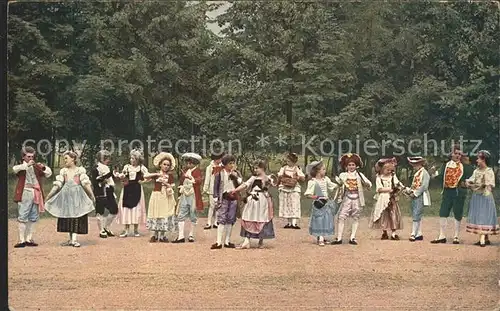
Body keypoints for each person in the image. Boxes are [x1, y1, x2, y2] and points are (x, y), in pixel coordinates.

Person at [44, 151, 95, 247]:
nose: (65, 160)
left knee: (76, 216)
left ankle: (74, 239)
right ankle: (71, 239)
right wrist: (49, 196)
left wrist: (91, 195)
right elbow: (58, 185)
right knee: (68, 216)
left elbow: (85, 184)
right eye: (64, 159)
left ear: (73, 159)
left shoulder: (80, 171)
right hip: (66, 197)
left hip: (77, 196)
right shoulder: (64, 171)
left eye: (66, 158)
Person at [430, 146, 473, 244]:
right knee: (443, 212)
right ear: (451, 154)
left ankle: (456, 236)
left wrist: (466, 183)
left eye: (459, 154)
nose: (457, 155)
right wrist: (433, 174)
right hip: (447, 191)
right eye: (456, 153)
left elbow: (471, 176)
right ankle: (442, 235)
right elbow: (440, 176)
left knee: (457, 213)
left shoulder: (464, 166)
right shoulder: (446, 165)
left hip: (458, 192)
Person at [12, 146, 53, 248]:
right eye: (28, 156)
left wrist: (42, 167)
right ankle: (21, 240)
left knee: (33, 216)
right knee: (23, 215)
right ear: (23, 157)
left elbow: (48, 174)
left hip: (35, 192)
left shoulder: (36, 167)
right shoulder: (21, 167)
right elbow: (15, 169)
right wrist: (27, 166)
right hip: (25, 192)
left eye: (32, 157)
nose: (31, 159)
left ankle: (29, 238)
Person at [231, 159, 276, 249]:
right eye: (254, 168)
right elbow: (245, 185)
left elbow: (272, 184)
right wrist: (235, 190)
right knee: (249, 216)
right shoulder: (253, 178)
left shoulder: (268, 178)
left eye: (257, 168)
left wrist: (267, 182)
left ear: (262, 168)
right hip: (253, 199)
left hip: (263, 200)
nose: (255, 170)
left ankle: (261, 241)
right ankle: (247, 240)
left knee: (262, 218)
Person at [115, 149, 158, 237]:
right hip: (127, 188)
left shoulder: (141, 167)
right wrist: (120, 176)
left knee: (137, 208)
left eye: (134, 158)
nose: (132, 160)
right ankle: (126, 229)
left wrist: (144, 181)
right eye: (131, 158)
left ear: (138, 159)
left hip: (136, 188)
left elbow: (147, 176)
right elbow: (122, 175)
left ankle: (135, 230)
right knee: (126, 208)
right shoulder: (127, 167)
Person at [332, 153, 372, 245]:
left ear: (356, 165)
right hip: (347, 198)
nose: (351, 166)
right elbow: (339, 184)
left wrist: (366, 184)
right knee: (341, 216)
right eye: (349, 165)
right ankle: (339, 238)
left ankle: (352, 237)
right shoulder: (343, 175)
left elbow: (369, 184)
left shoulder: (360, 175)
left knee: (356, 217)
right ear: (346, 166)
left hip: (357, 198)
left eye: (353, 165)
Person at [465, 150, 499, 246]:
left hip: (485, 197)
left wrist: (484, 185)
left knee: (484, 216)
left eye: (478, 158)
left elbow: (490, 184)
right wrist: (468, 182)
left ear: (483, 160)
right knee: (479, 215)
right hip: (477, 196)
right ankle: (485, 237)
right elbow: (471, 179)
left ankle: (483, 238)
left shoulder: (489, 171)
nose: (477, 160)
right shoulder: (476, 171)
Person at [211, 154, 242, 249]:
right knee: (221, 219)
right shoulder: (219, 174)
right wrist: (215, 197)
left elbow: (241, 184)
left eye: (233, 163)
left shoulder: (236, 173)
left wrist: (236, 177)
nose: (232, 165)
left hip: (233, 198)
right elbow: (216, 186)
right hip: (223, 198)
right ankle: (219, 242)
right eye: (230, 163)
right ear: (224, 164)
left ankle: (227, 241)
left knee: (230, 220)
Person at [304, 160, 338, 246]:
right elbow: (308, 194)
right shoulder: (313, 182)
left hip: (326, 203)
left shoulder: (326, 179)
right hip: (318, 203)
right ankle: (320, 237)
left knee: (326, 220)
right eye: (323, 169)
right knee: (319, 220)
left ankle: (323, 236)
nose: (325, 171)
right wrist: (317, 197)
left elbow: (332, 186)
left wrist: (339, 185)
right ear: (318, 171)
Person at [370, 157, 405, 240]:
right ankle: (384, 231)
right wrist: (390, 189)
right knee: (384, 215)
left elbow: (398, 184)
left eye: (391, 170)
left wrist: (400, 188)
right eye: (387, 170)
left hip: (391, 198)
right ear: (382, 169)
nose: (389, 171)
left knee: (393, 214)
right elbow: (379, 189)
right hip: (383, 198)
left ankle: (393, 233)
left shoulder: (392, 177)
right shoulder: (379, 178)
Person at [146, 152, 176, 243]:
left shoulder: (170, 176)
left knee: (164, 213)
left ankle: (163, 235)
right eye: (164, 164)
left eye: (168, 165)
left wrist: (166, 184)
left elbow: (172, 186)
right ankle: (154, 235)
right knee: (156, 212)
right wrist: (155, 175)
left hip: (165, 196)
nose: (166, 166)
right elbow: (145, 176)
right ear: (160, 165)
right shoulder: (157, 174)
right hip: (157, 195)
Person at [173, 153, 203, 243]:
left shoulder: (197, 171)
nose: (188, 165)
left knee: (193, 214)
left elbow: (199, 180)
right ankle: (181, 236)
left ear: (195, 163)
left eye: (191, 163)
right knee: (181, 214)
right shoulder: (185, 171)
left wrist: (192, 178)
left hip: (193, 196)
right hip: (184, 196)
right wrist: (179, 194)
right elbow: (181, 182)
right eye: (187, 163)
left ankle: (191, 235)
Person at [90, 150, 118, 238]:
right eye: (106, 158)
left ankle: (106, 227)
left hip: (109, 191)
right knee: (100, 211)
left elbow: (108, 179)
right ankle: (101, 230)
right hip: (100, 192)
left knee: (114, 210)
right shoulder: (96, 167)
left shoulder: (106, 167)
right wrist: (110, 175)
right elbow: (97, 180)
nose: (108, 160)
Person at [405, 157, 431, 242]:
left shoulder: (425, 173)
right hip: (415, 195)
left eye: (415, 164)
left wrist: (415, 193)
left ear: (420, 164)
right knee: (415, 212)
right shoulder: (417, 173)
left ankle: (413, 233)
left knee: (416, 213)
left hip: (420, 195)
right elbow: (414, 185)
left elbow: (424, 186)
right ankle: (419, 233)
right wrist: (410, 191)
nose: (414, 166)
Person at [277, 153, 305, 229]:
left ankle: (294, 223)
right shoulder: (284, 168)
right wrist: (281, 178)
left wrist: (297, 177)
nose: (288, 162)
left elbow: (303, 178)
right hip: (285, 187)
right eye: (287, 161)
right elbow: (279, 176)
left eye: (289, 161)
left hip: (294, 188)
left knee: (294, 204)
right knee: (287, 204)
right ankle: (289, 223)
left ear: (293, 161)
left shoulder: (297, 168)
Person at [202, 153, 224, 229]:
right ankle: (208, 222)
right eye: (219, 158)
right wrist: (205, 188)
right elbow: (207, 178)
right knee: (212, 206)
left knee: (218, 206)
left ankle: (216, 222)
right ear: (215, 159)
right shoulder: (209, 167)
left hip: (220, 189)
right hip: (212, 189)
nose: (220, 160)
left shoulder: (222, 166)